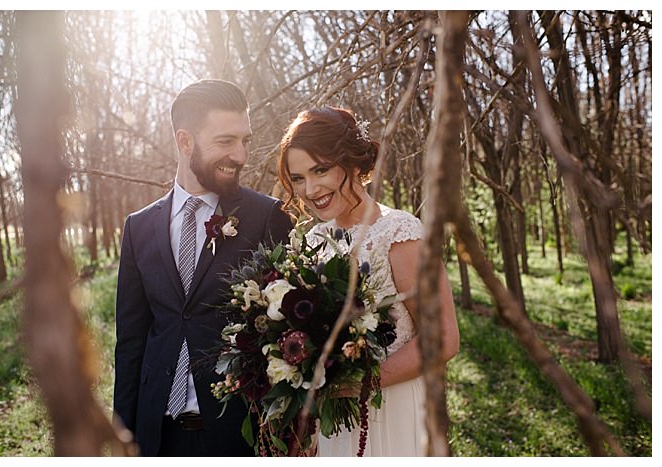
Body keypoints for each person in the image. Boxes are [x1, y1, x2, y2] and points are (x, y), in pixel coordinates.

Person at [113, 79, 293, 456]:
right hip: (156, 433)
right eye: (226, 142)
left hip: (238, 434)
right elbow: (131, 343)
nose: (241, 155)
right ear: (185, 142)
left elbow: (289, 337)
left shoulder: (266, 218)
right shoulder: (139, 227)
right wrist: (123, 436)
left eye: (244, 140)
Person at [276, 106, 460, 456]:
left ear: (354, 164)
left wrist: (360, 382)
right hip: (331, 422)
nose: (310, 189)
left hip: (390, 407)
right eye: (298, 178)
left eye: (321, 169)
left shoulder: (399, 234)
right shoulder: (311, 242)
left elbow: (444, 338)